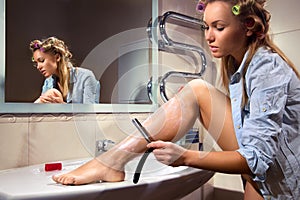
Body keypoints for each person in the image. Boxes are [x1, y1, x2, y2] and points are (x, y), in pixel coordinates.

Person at [52, 0, 300, 199]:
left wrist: (186, 157)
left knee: (198, 90)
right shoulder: (238, 68)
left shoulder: (266, 67)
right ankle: (112, 160)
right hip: (267, 176)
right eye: (207, 27)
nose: (209, 36)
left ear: (248, 26)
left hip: (286, 184)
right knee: (197, 91)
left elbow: (256, 158)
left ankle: (112, 161)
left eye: (219, 27)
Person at [30, 36, 100, 104]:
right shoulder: (48, 83)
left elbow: (90, 113)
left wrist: (62, 106)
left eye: (41, 60)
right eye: (36, 63)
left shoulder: (86, 77)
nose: (38, 67)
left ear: (57, 57)